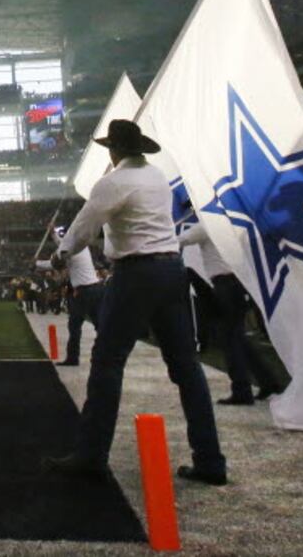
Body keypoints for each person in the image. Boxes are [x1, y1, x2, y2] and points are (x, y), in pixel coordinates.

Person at [43, 120, 227, 486]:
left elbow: (84, 227)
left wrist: (61, 255)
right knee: (187, 368)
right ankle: (210, 460)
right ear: (140, 147)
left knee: (108, 363)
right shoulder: (156, 177)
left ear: (113, 150)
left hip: (135, 274)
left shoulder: (113, 182)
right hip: (171, 270)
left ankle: (91, 454)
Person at [178, 217, 282, 403]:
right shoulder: (231, 223)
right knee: (237, 336)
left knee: (230, 338)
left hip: (224, 283)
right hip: (240, 281)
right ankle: (268, 382)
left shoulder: (207, 224)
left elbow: (181, 239)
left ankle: (242, 390)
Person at [56, 226, 103, 368]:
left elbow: (57, 258)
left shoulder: (70, 250)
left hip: (84, 291)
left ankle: (73, 358)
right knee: (99, 325)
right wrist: (53, 232)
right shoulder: (79, 246)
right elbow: (61, 244)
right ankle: (102, 358)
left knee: (76, 326)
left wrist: (37, 264)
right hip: (92, 289)